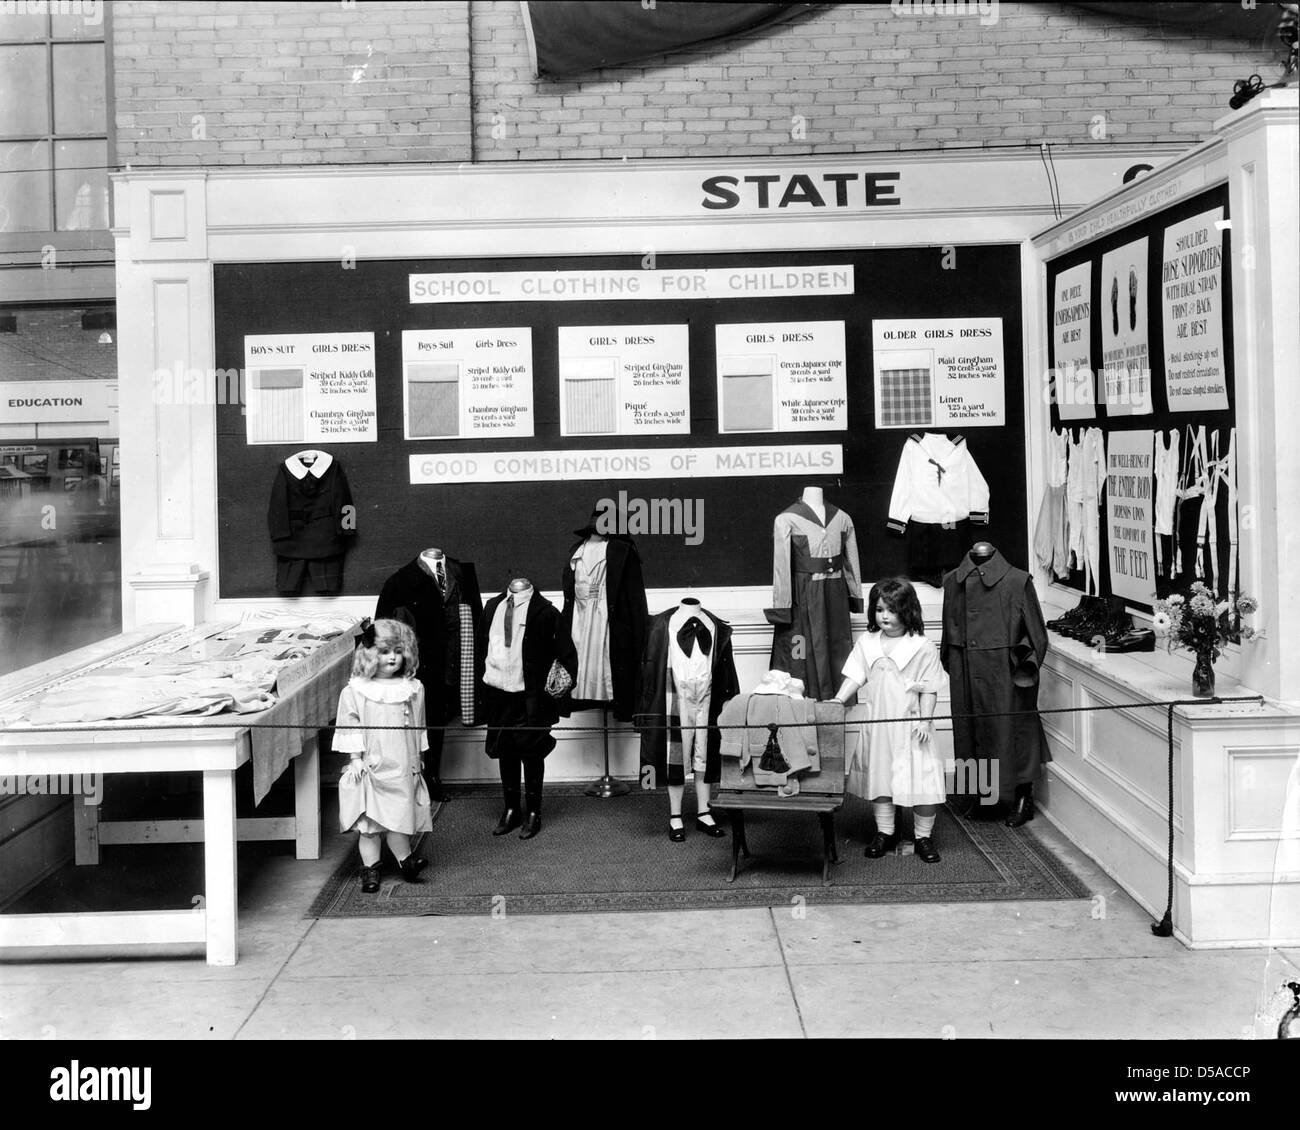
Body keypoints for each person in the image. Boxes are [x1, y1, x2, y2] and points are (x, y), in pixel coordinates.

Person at [831, 578, 948, 863]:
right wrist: (838, 700)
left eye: (891, 610)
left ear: (907, 611)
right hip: (879, 725)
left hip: (911, 726)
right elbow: (855, 675)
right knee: (880, 779)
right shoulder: (867, 643)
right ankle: (885, 832)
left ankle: (923, 836)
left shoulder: (921, 646)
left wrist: (925, 721)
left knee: (922, 784)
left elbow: (929, 688)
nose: (884, 615)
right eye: (879, 609)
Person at [332, 618, 433, 893]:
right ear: (369, 654)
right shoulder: (356, 690)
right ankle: (371, 869)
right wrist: (355, 758)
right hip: (372, 765)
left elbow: (418, 724)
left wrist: (418, 756)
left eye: (398, 652)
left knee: (399, 817)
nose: (393, 658)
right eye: (385, 652)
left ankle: (406, 861)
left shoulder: (413, 689)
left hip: (401, 764)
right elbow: (349, 724)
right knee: (371, 824)